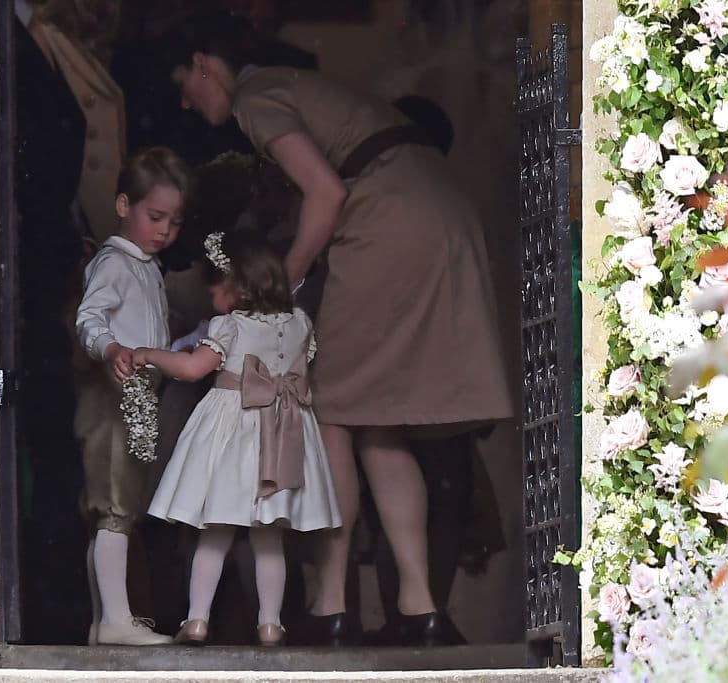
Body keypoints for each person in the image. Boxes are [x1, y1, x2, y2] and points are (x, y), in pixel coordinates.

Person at [162, 13, 512, 646]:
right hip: (439, 210)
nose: (186, 99)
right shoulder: (292, 86)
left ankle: (330, 603)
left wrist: (280, 288)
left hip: (388, 222)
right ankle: (420, 604)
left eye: (184, 82)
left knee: (331, 409)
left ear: (204, 62)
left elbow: (325, 192)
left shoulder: (256, 95)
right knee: (378, 419)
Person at [135, 231, 341, 646]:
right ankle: (270, 623)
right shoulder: (300, 323)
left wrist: (149, 354)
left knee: (214, 532)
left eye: (217, 281)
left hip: (234, 434)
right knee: (269, 538)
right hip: (283, 433)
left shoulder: (228, 326)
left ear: (240, 287)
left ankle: (196, 620)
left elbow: (193, 368)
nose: (210, 288)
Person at [75, 147, 189, 646]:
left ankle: (105, 620)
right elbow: (89, 318)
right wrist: (111, 347)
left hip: (139, 402)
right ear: (124, 205)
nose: (165, 230)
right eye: (155, 216)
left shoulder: (147, 267)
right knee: (116, 507)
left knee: (119, 507)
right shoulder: (114, 264)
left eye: (175, 221)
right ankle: (117, 621)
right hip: (114, 400)